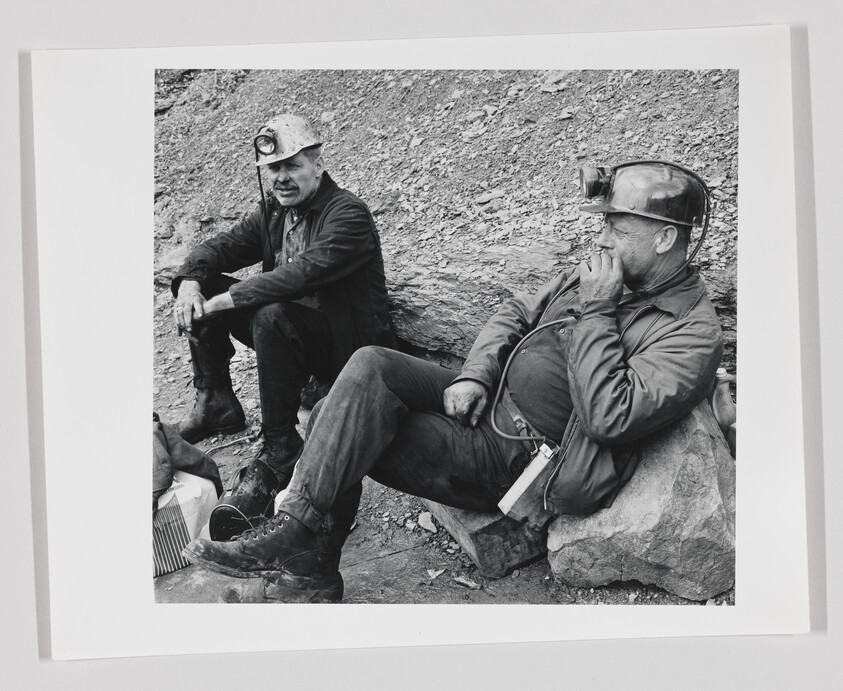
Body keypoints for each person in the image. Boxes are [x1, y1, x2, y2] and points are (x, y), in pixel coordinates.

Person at [183, 160, 724, 602]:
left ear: (663, 239)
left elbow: (612, 416)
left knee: (336, 418)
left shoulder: (691, 333)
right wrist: (475, 374)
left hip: (517, 455)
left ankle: (309, 564)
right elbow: (515, 311)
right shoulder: (611, 270)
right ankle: (302, 541)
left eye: (616, 227)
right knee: (370, 365)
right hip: (486, 401)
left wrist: (600, 311)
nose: (600, 238)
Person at [170, 113, 394, 541]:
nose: (282, 177)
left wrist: (227, 300)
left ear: (317, 164)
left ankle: (279, 447)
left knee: (268, 312)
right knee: (208, 289)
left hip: (346, 350)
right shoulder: (274, 211)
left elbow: (303, 275)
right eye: (274, 168)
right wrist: (193, 284)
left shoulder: (347, 214)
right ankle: (215, 399)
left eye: (293, 165)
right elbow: (220, 247)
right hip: (291, 336)